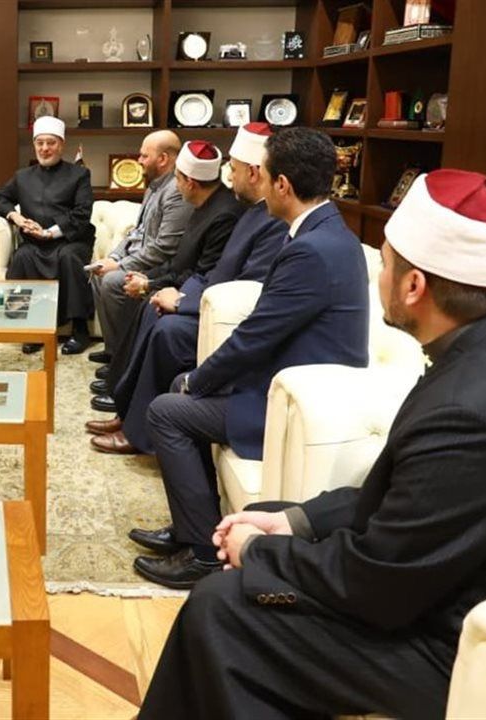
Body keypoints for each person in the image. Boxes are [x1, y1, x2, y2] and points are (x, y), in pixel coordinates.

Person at [138, 169, 486, 719]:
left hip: (479, 650)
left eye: (384, 263)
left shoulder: (471, 412)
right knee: (260, 539)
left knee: (223, 609)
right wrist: (293, 522)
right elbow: (402, 500)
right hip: (442, 593)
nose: (378, 276)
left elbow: (377, 584)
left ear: (414, 286)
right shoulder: (482, 356)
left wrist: (259, 553)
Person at [130, 127, 369, 588]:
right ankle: (191, 528)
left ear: (282, 184)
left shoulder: (311, 249)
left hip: (296, 405)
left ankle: (203, 553)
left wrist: (199, 380)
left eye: (266, 175)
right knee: (181, 388)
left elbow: (256, 337)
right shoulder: (324, 232)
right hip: (283, 381)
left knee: (168, 410)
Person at [88, 123, 287, 453]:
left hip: (219, 311)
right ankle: (127, 412)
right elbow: (212, 271)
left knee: (166, 329)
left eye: (234, 169)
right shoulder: (248, 211)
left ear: (253, 173)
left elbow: (242, 286)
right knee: (151, 312)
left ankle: (140, 433)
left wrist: (181, 301)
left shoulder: (259, 217)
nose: (229, 176)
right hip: (203, 294)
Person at [87, 139, 241, 417]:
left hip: (193, 290)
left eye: (178, 179)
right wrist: (143, 276)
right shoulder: (201, 203)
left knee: (147, 307)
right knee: (133, 293)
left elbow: (196, 268)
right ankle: (122, 384)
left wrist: (151, 284)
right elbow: (175, 257)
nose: (175, 184)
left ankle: (126, 396)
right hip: (179, 277)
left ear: (190, 182)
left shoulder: (222, 214)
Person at [0, 116, 96, 354]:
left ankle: (79, 330)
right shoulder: (23, 176)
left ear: (61, 145)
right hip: (35, 241)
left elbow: (82, 214)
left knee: (68, 257)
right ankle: (32, 327)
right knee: (23, 256)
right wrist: (16, 217)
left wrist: (49, 233)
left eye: (51, 143)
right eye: (40, 143)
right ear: (34, 145)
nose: (45, 148)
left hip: (70, 239)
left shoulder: (79, 175)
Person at [87, 130, 192, 364]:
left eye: (145, 156)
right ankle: (114, 351)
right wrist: (114, 257)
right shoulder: (153, 186)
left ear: (162, 159)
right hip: (140, 259)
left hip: (160, 267)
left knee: (113, 280)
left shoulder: (176, 191)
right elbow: (137, 232)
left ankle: (124, 361)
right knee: (98, 274)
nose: (139, 160)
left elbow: (165, 247)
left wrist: (120, 266)